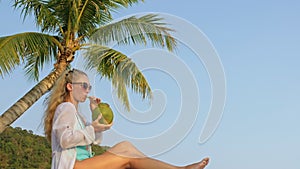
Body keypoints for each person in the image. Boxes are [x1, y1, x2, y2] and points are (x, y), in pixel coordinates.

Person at [43, 68, 209, 169]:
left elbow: (96, 140)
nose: (88, 90)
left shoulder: (78, 114)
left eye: (89, 87)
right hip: (74, 166)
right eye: (84, 86)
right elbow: (65, 140)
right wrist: (92, 129)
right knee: (128, 159)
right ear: (70, 87)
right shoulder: (65, 108)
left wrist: (94, 111)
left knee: (126, 146)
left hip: (85, 163)